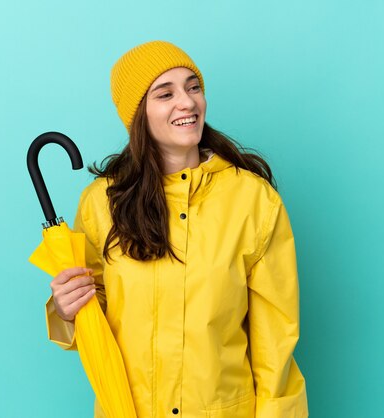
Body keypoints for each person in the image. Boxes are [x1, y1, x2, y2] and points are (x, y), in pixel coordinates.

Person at [44, 40, 308, 417]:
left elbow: (276, 344)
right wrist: (65, 311)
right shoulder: (102, 202)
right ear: (138, 114)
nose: (187, 102)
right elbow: (93, 318)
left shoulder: (252, 200)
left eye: (193, 87)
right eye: (165, 94)